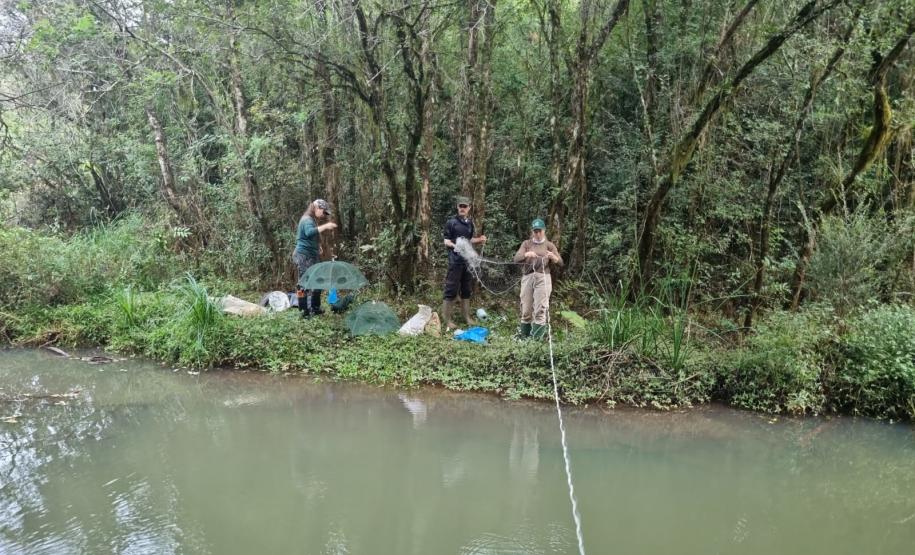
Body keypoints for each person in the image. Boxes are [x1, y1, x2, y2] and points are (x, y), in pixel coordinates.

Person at [442, 196, 487, 329]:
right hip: (455, 262)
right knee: (451, 289)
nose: (462, 208)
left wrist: (479, 239)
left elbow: (470, 239)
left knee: (466, 290)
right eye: (460, 206)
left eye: (465, 206)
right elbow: (446, 240)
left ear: (469, 208)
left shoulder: (470, 223)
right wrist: (455, 246)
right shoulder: (451, 223)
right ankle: (447, 320)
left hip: (467, 262)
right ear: (457, 207)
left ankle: (467, 317)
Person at [513, 218, 562, 339]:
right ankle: (524, 337)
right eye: (535, 231)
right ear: (532, 231)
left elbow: (560, 262)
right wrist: (526, 254)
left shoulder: (549, 245)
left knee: (540, 310)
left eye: (540, 231)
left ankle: (536, 341)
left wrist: (554, 258)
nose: (538, 233)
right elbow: (516, 258)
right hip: (528, 277)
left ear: (544, 230)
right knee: (526, 309)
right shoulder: (526, 244)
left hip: (543, 278)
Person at [293, 199, 337, 318]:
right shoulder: (307, 219)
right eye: (323, 212)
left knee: (318, 279)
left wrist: (318, 246)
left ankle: (315, 307)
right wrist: (326, 226)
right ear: (317, 208)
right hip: (303, 255)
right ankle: (304, 311)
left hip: (312, 254)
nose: (323, 215)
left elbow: (312, 236)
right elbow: (308, 232)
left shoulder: (312, 219)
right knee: (303, 283)